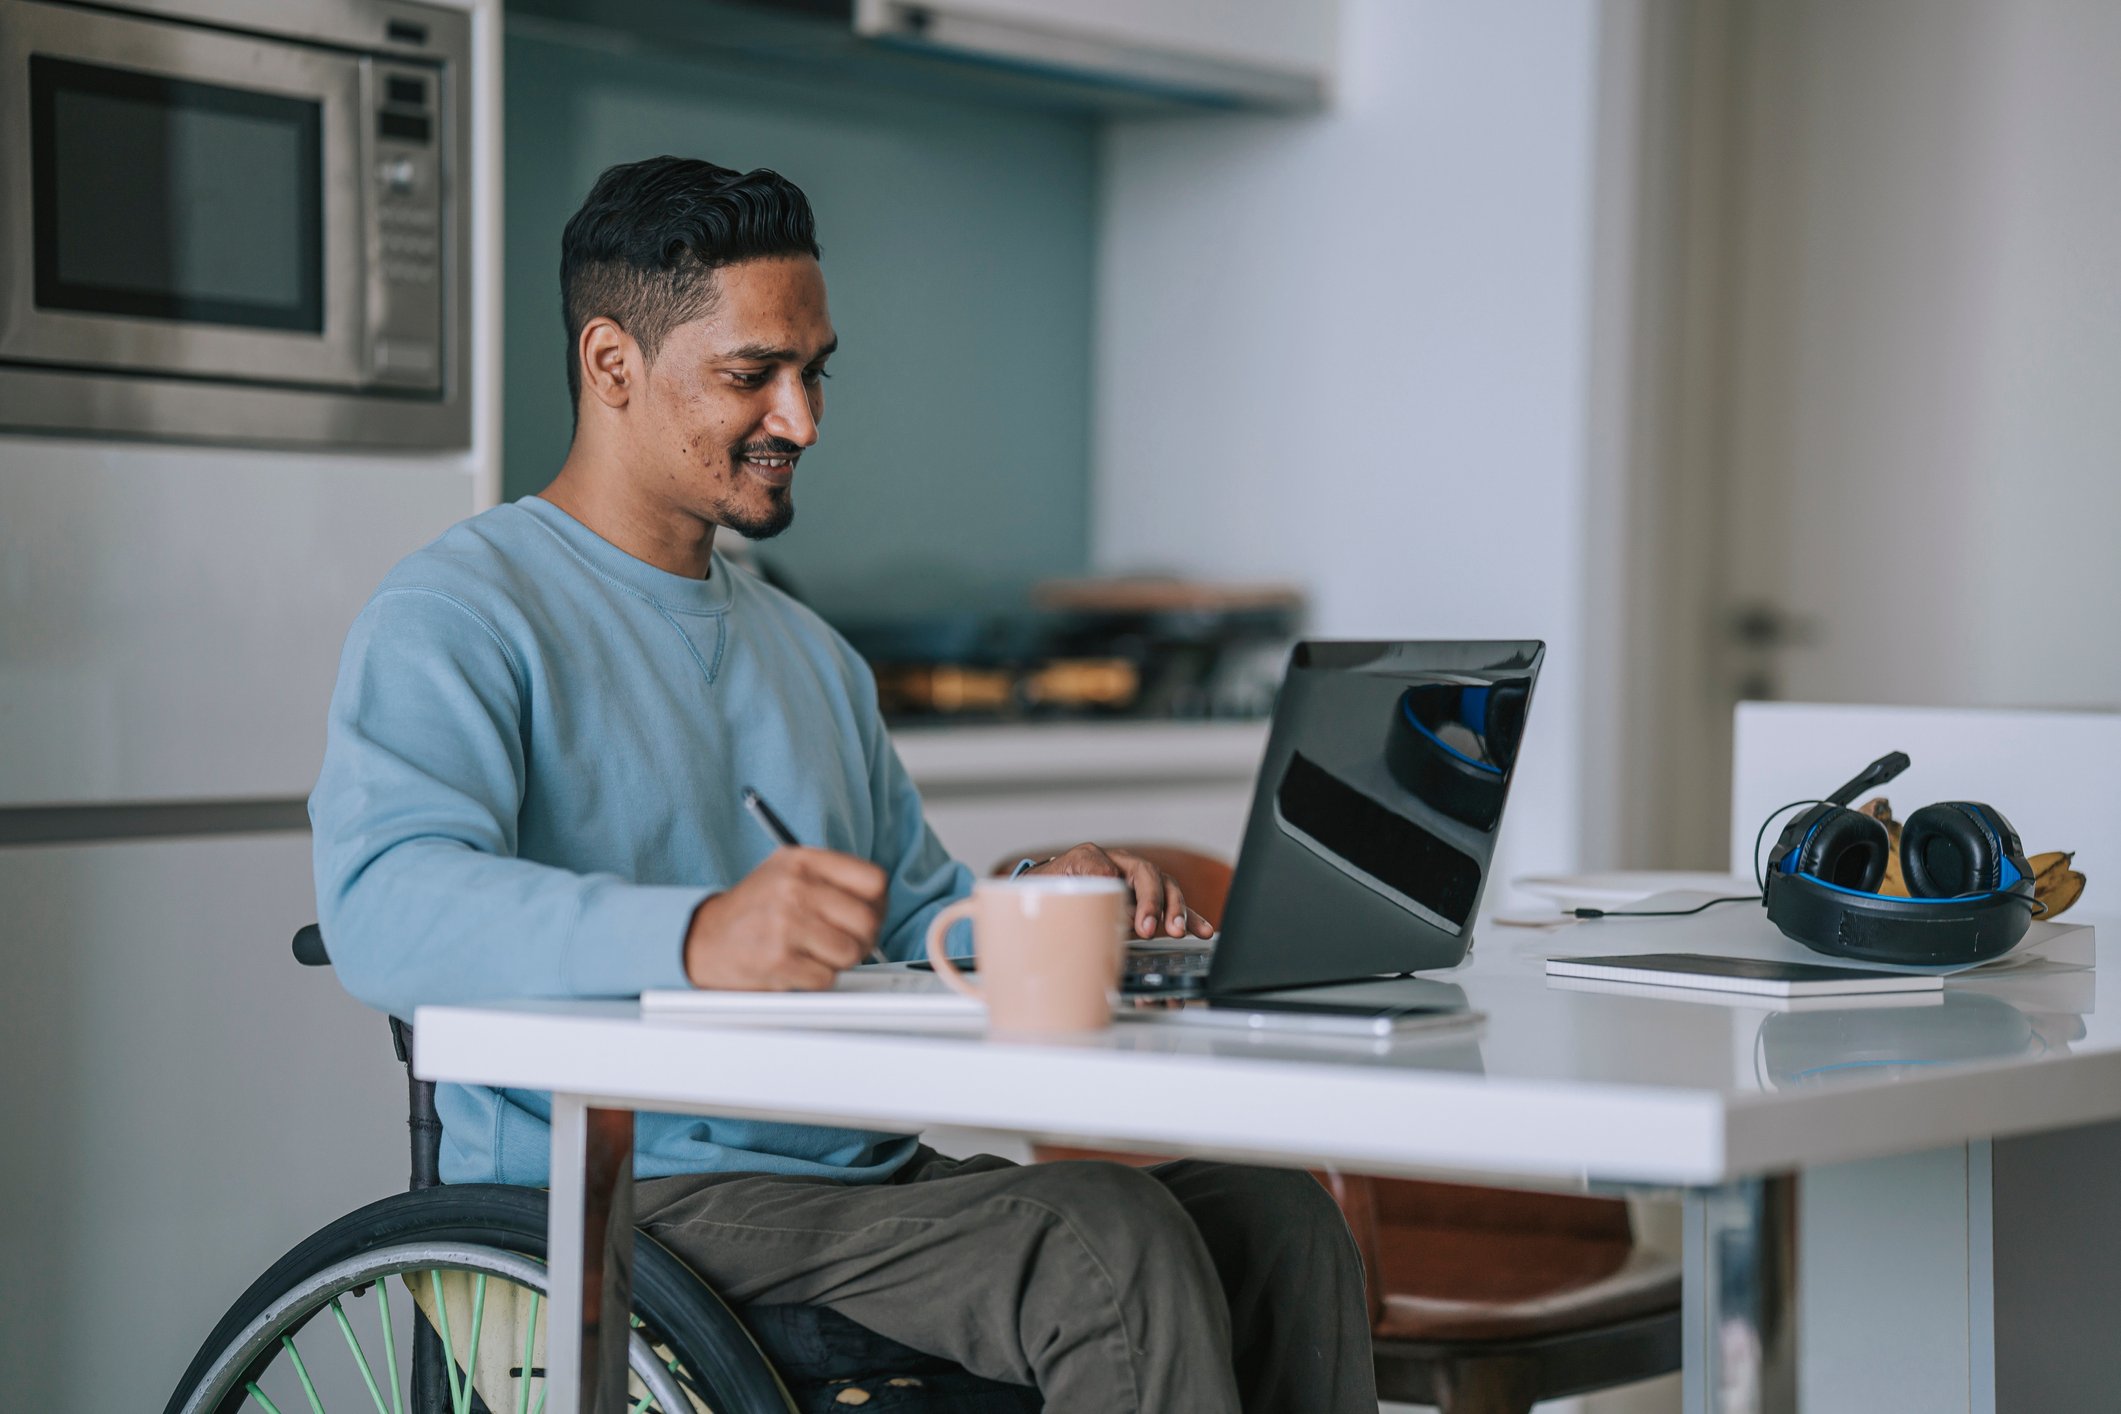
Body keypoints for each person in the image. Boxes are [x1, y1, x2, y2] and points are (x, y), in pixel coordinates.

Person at [309, 155, 1376, 1413]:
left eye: (815, 372)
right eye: (753, 375)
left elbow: (916, 917)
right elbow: (382, 907)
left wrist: (1044, 897)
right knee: (1102, 1241)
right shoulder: (460, 611)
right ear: (612, 366)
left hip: (845, 1181)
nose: (802, 419)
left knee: (1277, 1217)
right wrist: (702, 934)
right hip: (617, 1198)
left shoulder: (805, 652)